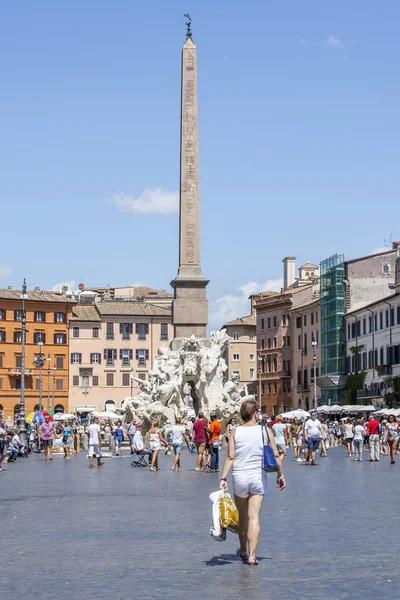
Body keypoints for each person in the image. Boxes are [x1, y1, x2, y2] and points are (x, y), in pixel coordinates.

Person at [219, 400, 285, 566]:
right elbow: (276, 455)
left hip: (239, 476)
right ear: (256, 413)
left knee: (243, 517)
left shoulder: (235, 432)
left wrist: (223, 478)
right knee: (254, 516)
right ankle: (252, 556)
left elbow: (231, 457)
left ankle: (242, 549)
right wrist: (280, 475)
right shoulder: (265, 430)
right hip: (257, 477)